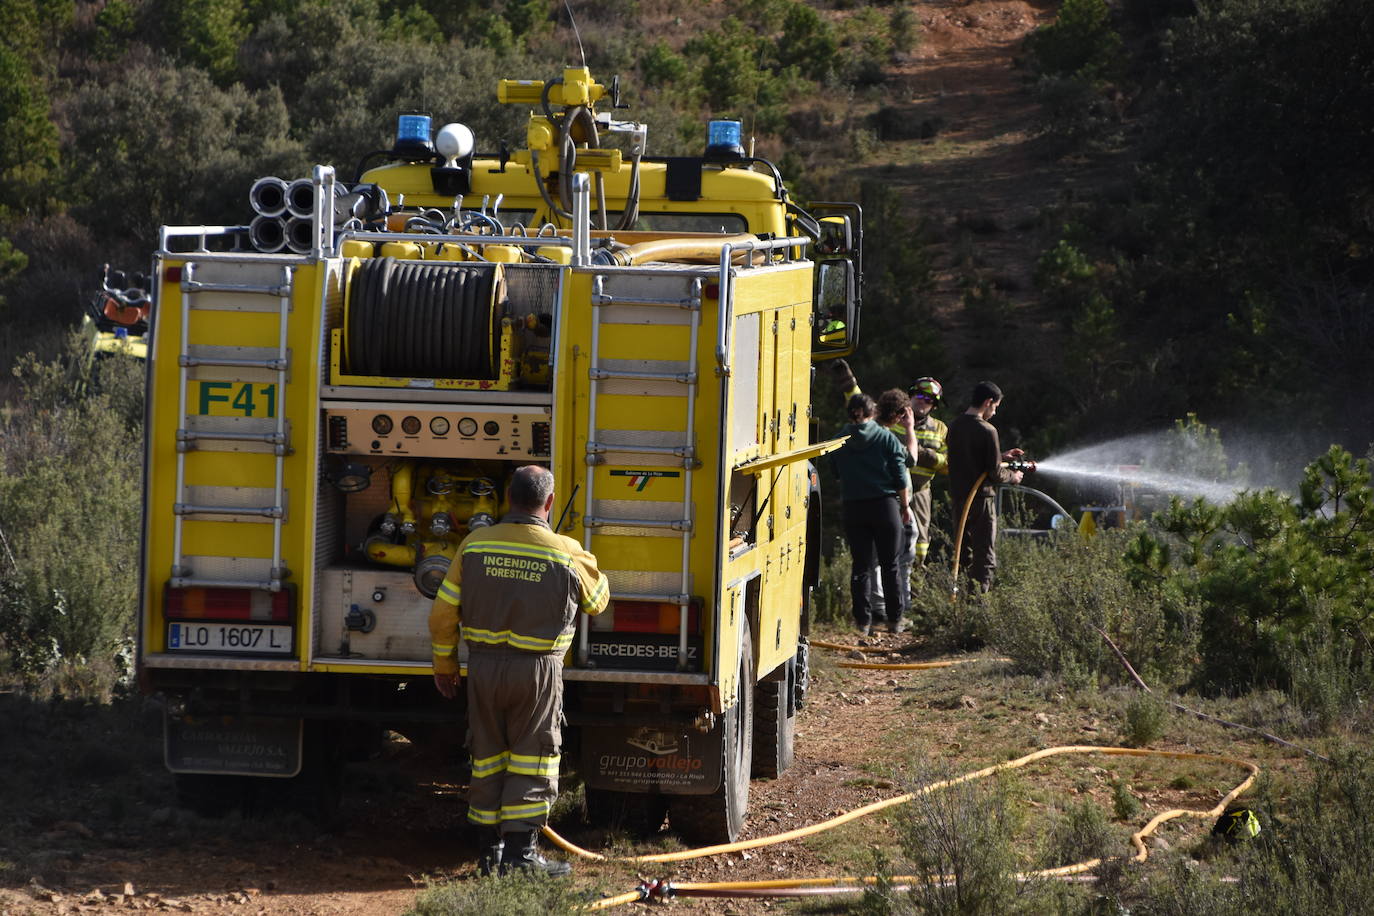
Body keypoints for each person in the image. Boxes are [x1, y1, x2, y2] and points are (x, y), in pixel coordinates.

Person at [428, 465, 610, 877]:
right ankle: (521, 855)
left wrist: (445, 665)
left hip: (483, 669)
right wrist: (577, 556)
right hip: (537, 672)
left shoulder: (474, 545)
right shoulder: (565, 551)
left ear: (507, 498)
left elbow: (442, 614)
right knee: (533, 759)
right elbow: (598, 601)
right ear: (548, 503)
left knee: (487, 756)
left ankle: (488, 851)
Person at [830, 392, 912, 635]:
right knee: (890, 564)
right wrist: (905, 506)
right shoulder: (886, 438)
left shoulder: (839, 440)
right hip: (884, 506)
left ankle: (862, 622)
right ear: (872, 412)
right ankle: (895, 620)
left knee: (861, 566)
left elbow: (835, 471)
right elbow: (900, 474)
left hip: (854, 506)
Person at [945, 381, 1023, 592]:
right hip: (981, 501)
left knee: (963, 553)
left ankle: (959, 603)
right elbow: (995, 473)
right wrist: (1013, 477)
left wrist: (1000, 456)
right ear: (988, 402)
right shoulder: (987, 430)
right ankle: (978, 606)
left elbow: (970, 458)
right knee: (985, 557)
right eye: (995, 407)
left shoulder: (955, 425)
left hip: (959, 500)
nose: (995, 412)